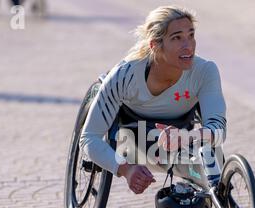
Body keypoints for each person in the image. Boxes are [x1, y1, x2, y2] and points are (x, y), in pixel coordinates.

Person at [80, 6, 227, 195]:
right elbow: (89, 138)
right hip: (131, 137)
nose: (188, 45)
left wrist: (188, 137)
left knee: (215, 170)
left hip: (179, 137)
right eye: (177, 38)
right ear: (155, 45)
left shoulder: (205, 71)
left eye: (191, 35)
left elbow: (219, 130)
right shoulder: (124, 75)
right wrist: (126, 169)